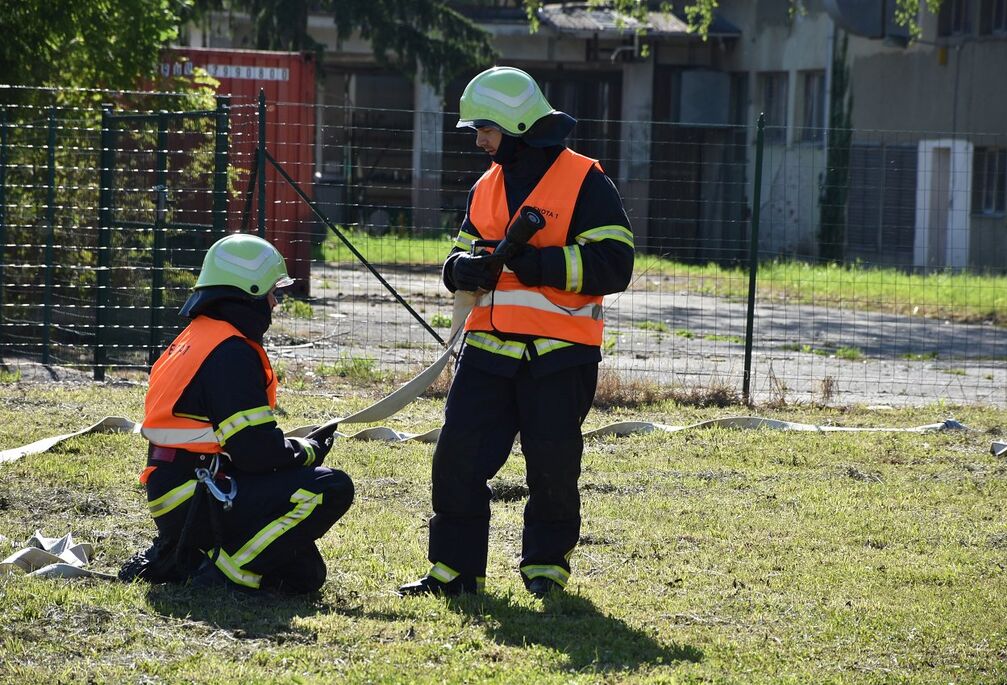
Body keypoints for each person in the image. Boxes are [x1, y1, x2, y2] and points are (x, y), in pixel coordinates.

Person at [399, 66, 634, 598]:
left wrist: (541, 265)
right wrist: (458, 270)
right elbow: (463, 249)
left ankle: (546, 569)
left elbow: (615, 265)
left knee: (552, 468)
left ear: (517, 125)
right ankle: (453, 572)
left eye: (485, 129)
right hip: (486, 351)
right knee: (457, 459)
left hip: (560, 357)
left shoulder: (586, 181)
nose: (479, 141)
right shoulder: (486, 185)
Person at [119, 233, 354, 593]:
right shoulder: (230, 352)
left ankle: (190, 558)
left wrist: (293, 449)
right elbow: (254, 452)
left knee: (303, 576)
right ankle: (222, 574)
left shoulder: (196, 338)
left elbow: (237, 443)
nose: (274, 303)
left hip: (185, 489)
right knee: (331, 487)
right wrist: (307, 451)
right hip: (198, 494)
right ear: (250, 291)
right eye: (271, 292)